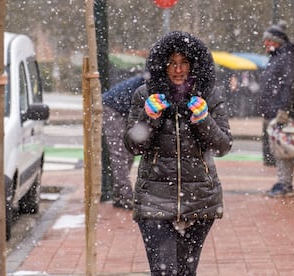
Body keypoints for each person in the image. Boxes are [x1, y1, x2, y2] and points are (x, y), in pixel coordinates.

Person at [124, 31, 232, 275]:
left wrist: (204, 120)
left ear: (194, 65)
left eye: (183, 62)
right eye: (172, 62)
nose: (178, 69)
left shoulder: (210, 95)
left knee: (185, 272)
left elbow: (223, 146)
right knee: (164, 272)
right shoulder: (144, 95)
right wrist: (148, 118)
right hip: (154, 201)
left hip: (200, 201)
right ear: (162, 65)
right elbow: (133, 145)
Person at [259, 21, 294, 197]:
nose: (266, 44)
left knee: (283, 148)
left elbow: (288, 84)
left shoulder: (286, 57)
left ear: (277, 41)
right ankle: (283, 181)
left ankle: (286, 185)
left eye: (268, 40)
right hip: (274, 109)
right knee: (278, 148)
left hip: (280, 111)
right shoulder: (278, 57)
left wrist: (284, 109)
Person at [102, 75, 145, 209]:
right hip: (113, 108)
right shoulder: (149, 83)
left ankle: (120, 195)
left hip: (125, 109)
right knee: (119, 153)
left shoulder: (150, 81)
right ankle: (125, 196)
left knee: (129, 151)